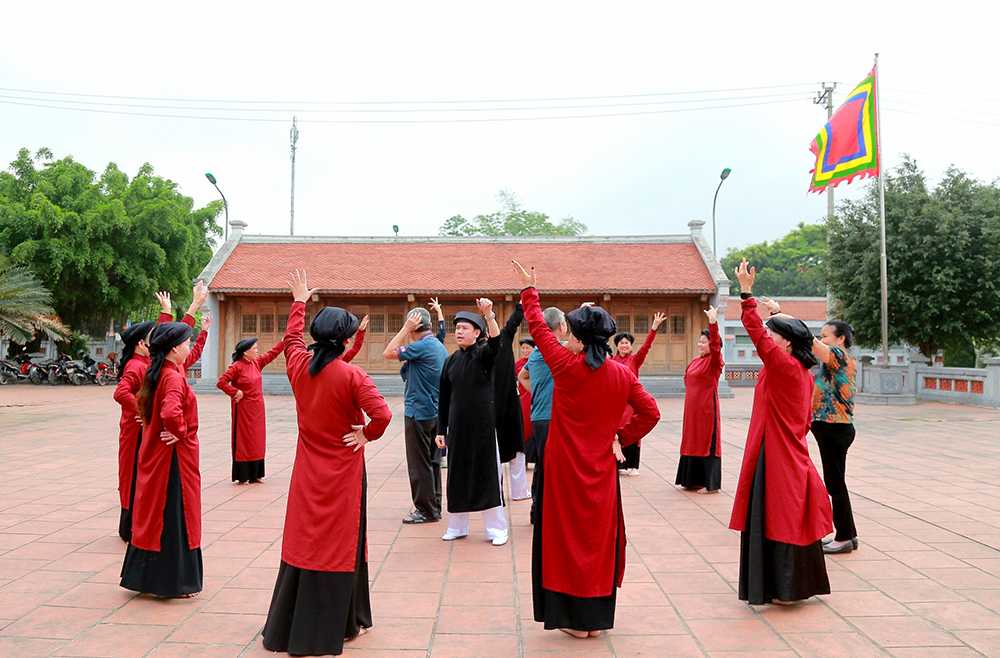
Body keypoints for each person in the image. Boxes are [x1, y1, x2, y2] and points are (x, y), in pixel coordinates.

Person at [512, 260, 660, 638]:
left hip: (564, 469)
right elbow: (651, 413)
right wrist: (620, 437)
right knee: (596, 538)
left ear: (577, 336)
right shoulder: (623, 374)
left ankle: (574, 619)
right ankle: (594, 620)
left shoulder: (564, 364)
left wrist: (530, 290)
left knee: (566, 540)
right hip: (602, 469)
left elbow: (539, 328)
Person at [262, 270, 391, 656]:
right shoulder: (353, 375)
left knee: (305, 540)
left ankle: (294, 623)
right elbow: (382, 416)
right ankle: (344, 623)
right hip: (343, 472)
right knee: (342, 542)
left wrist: (299, 301)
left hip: (307, 471)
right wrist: (365, 434)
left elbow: (290, 341)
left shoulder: (299, 367)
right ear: (348, 339)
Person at [729, 259, 832, 606]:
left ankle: (782, 589)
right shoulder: (799, 369)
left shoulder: (784, 365)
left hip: (777, 453)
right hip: (786, 448)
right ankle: (785, 588)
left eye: (776, 335)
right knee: (787, 515)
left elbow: (756, 333)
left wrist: (746, 294)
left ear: (786, 343)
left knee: (780, 517)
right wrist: (778, 314)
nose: (768, 338)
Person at [762, 299, 859, 554]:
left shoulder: (838, 356)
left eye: (826, 336)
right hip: (829, 428)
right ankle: (850, 533)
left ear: (840, 340)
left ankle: (845, 537)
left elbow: (806, 338)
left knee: (834, 484)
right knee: (835, 482)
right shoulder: (834, 361)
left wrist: (781, 314)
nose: (821, 339)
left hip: (834, 428)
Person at [114, 287, 209, 542]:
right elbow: (121, 393)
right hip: (138, 430)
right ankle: (133, 527)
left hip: (149, 428)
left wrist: (187, 309)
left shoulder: (155, 365)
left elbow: (168, 338)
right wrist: (143, 410)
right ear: (140, 344)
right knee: (137, 478)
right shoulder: (139, 366)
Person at [120, 321, 203, 598]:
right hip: (173, 459)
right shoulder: (173, 377)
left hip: (157, 454)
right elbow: (170, 411)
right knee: (174, 514)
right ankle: (174, 581)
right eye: (186, 344)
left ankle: (148, 578)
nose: (188, 348)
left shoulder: (159, 372)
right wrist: (180, 431)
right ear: (173, 349)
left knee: (154, 513)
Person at [435, 300, 508, 546]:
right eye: (457, 328)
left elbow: (497, 343)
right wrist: (441, 430)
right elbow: (443, 398)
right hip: (457, 429)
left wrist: (489, 315)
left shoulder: (483, 354)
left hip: (484, 428)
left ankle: (497, 530)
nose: (458, 331)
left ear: (477, 333)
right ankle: (457, 526)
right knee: (457, 476)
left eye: (465, 328)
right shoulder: (450, 361)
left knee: (488, 476)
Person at [383, 306, 449, 525]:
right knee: (432, 462)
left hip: (419, 412)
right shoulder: (437, 345)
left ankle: (425, 509)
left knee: (419, 464)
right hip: (434, 412)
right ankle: (434, 506)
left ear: (414, 325)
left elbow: (388, 352)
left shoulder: (422, 345)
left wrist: (404, 329)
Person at [517, 307, 567, 524]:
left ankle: (538, 510)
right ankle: (550, 512)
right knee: (555, 466)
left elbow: (522, 375)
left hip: (539, 416)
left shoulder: (537, 352)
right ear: (562, 326)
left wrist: (538, 392)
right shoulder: (558, 348)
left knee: (542, 465)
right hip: (553, 417)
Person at [216, 336, 286, 484]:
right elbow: (221, 382)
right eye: (254, 349)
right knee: (244, 440)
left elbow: (272, 354)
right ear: (245, 352)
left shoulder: (257, 363)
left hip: (258, 409)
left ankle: (256, 474)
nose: (257, 351)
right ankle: (243, 475)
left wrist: (283, 342)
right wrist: (235, 392)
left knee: (257, 440)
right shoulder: (236, 366)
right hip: (243, 409)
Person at [676, 307, 724, 493]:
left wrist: (713, 323)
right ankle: (692, 480)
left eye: (704, 342)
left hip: (706, 409)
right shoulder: (695, 362)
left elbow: (716, 346)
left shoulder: (714, 360)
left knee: (706, 442)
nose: (700, 344)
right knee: (691, 440)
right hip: (692, 411)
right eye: (699, 341)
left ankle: (710, 484)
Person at [611, 312, 666, 475]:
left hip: (632, 403)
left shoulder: (635, 360)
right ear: (617, 346)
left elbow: (646, 347)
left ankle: (633, 466)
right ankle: (619, 465)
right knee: (616, 431)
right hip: (617, 403)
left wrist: (654, 328)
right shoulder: (611, 362)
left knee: (633, 430)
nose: (624, 345)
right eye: (621, 343)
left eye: (627, 343)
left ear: (631, 346)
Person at [494, 303, 530, 501]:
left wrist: (522, 305)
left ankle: (519, 491)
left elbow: (512, 325)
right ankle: (496, 493)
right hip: (491, 406)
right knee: (495, 452)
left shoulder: (503, 340)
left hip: (511, 402)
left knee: (517, 449)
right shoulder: (479, 351)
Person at [515, 338, 535, 465]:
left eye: (528, 348)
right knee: (524, 428)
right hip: (522, 399)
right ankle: (524, 459)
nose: (525, 350)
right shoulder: (518, 364)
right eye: (523, 348)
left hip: (534, 397)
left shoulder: (538, 362)